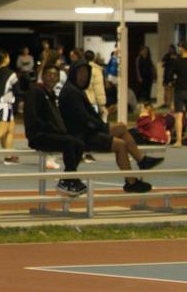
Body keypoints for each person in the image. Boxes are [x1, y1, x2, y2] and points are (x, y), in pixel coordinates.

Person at [59, 59, 163, 192]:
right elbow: (83, 118)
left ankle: (139, 165)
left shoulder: (75, 90)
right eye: (80, 73)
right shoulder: (71, 92)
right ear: (73, 73)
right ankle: (133, 177)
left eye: (86, 73)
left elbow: (87, 117)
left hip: (85, 131)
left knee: (122, 129)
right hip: (82, 135)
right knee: (120, 143)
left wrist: (100, 125)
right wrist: (101, 126)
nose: (84, 76)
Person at [23, 66, 86, 196]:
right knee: (68, 142)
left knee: (79, 143)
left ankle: (68, 178)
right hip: (38, 135)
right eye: (49, 74)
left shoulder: (51, 95)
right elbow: (32, 117)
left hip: (51, 134)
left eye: (55, 75)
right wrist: (52, 128)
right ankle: (69, 180)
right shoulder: (36, 92)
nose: (52, 77)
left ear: (58, 78)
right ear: (43, 76)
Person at [170, 42, 187, 146]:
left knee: (179, 116)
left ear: (183, 49)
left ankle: (179, 140)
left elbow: (171, 76)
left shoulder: (177, 61)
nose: (179, 49)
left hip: (180, 90)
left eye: (180, 47)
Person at [160, 44, 177, 108]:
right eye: (169, 49)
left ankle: (171, 103)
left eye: (171, 48)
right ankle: (166, 103)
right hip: (166, 75)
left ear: (174, 49)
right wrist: (167, 62)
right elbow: (163, 63)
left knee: (172, 90)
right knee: (166, 90)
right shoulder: (166, 55)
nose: (170, 50)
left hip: (173, 76)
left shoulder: (176, 56)